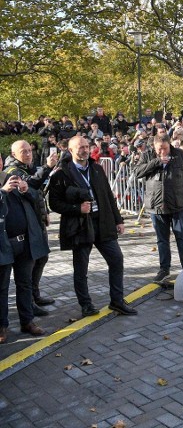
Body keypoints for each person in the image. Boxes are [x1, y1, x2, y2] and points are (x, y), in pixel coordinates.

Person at [46, 136, 137, 317]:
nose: (85, 150)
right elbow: (54, 203)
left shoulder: (96, 168)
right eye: (80, 147)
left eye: (87, 147)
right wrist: (76, 208)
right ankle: (86, 305)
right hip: (80, 225)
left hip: (102, 222)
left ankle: (117, 301)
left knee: (116, 259)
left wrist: (119, 220)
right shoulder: (61, 173)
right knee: (81, 268)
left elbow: (108, 196)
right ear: (70, 150)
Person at [4, 140, 58, 316]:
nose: (28, 154)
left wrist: (45, 212)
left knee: (42, 258)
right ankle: (30, 302)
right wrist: (48, 167)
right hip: (25, 227)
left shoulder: (28, 166)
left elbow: (38, 194)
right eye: (23, 151)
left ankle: (35, 296)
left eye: (29, 150)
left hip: (36, 220)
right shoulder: (13, 171)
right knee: (33, 263)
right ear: (14, 155)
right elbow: (31, 187)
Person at [135, 135, 183, 282]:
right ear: (154, 147)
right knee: (162, 239)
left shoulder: (180, 154)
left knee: (181, 236)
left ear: (170, 145)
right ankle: (164, 269)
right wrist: (156, 162)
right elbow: (137, 172)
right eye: (159, 149)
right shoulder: (148, 155)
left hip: (177, 204)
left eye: (165, 148)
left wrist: (181, 191)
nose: (162, 152)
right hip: (156, 204)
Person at [0, 166, 49, 342]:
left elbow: (35, 197)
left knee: (25, 284)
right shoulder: (4, 186)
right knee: (2, 288)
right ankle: (1, 327)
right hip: (3, 245)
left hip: (24, 243)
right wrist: (2, 192)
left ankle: (27, 321)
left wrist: (26, 189)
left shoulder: (12, 177)